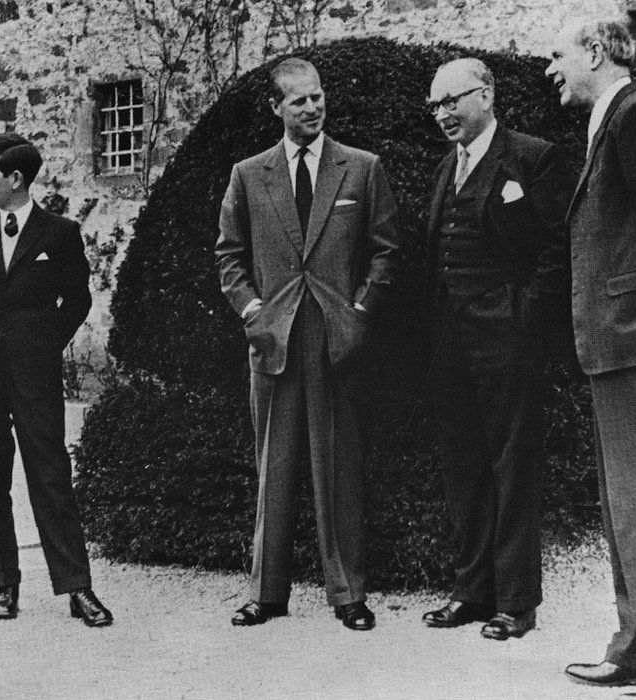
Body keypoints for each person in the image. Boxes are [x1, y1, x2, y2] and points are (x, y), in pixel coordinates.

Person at [215, 57, 401, 630]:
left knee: (337, 464)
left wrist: (360, 312)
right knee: (274, 465)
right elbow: (228, 256)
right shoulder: (249, 174)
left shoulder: (362, 168)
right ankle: (267, 593)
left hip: (336, 339)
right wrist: (253, 311)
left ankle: (348, 594)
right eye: (298, 100)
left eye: (317, 97)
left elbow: (386, 251)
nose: (312, 107)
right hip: (273, 340)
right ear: (276, 108)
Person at [419, 58, 570, 641]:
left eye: (451, 101)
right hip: (452, 347)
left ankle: (516, 602)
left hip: (508, 342)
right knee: (464, 466)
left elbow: (556, 250)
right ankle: (472, 591)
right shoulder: (444, 168)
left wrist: (523, 318)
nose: (442, 115)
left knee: (513, 466)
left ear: (484, 96)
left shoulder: (532, 158)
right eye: (435, 106)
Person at [0, 132, 112, 627]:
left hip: (33, 374)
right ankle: (4, 584)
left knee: (51, 476)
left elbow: (76, 300)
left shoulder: (59, 232)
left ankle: (77, 588)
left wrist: (40, 346)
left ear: (15, 178)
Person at [546, 18, 636, 697]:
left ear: (595, 51)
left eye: (557, 55)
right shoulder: (613, 119)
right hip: (615, 345)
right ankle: (633, 648)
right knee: (626, 511)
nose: (549, 69)